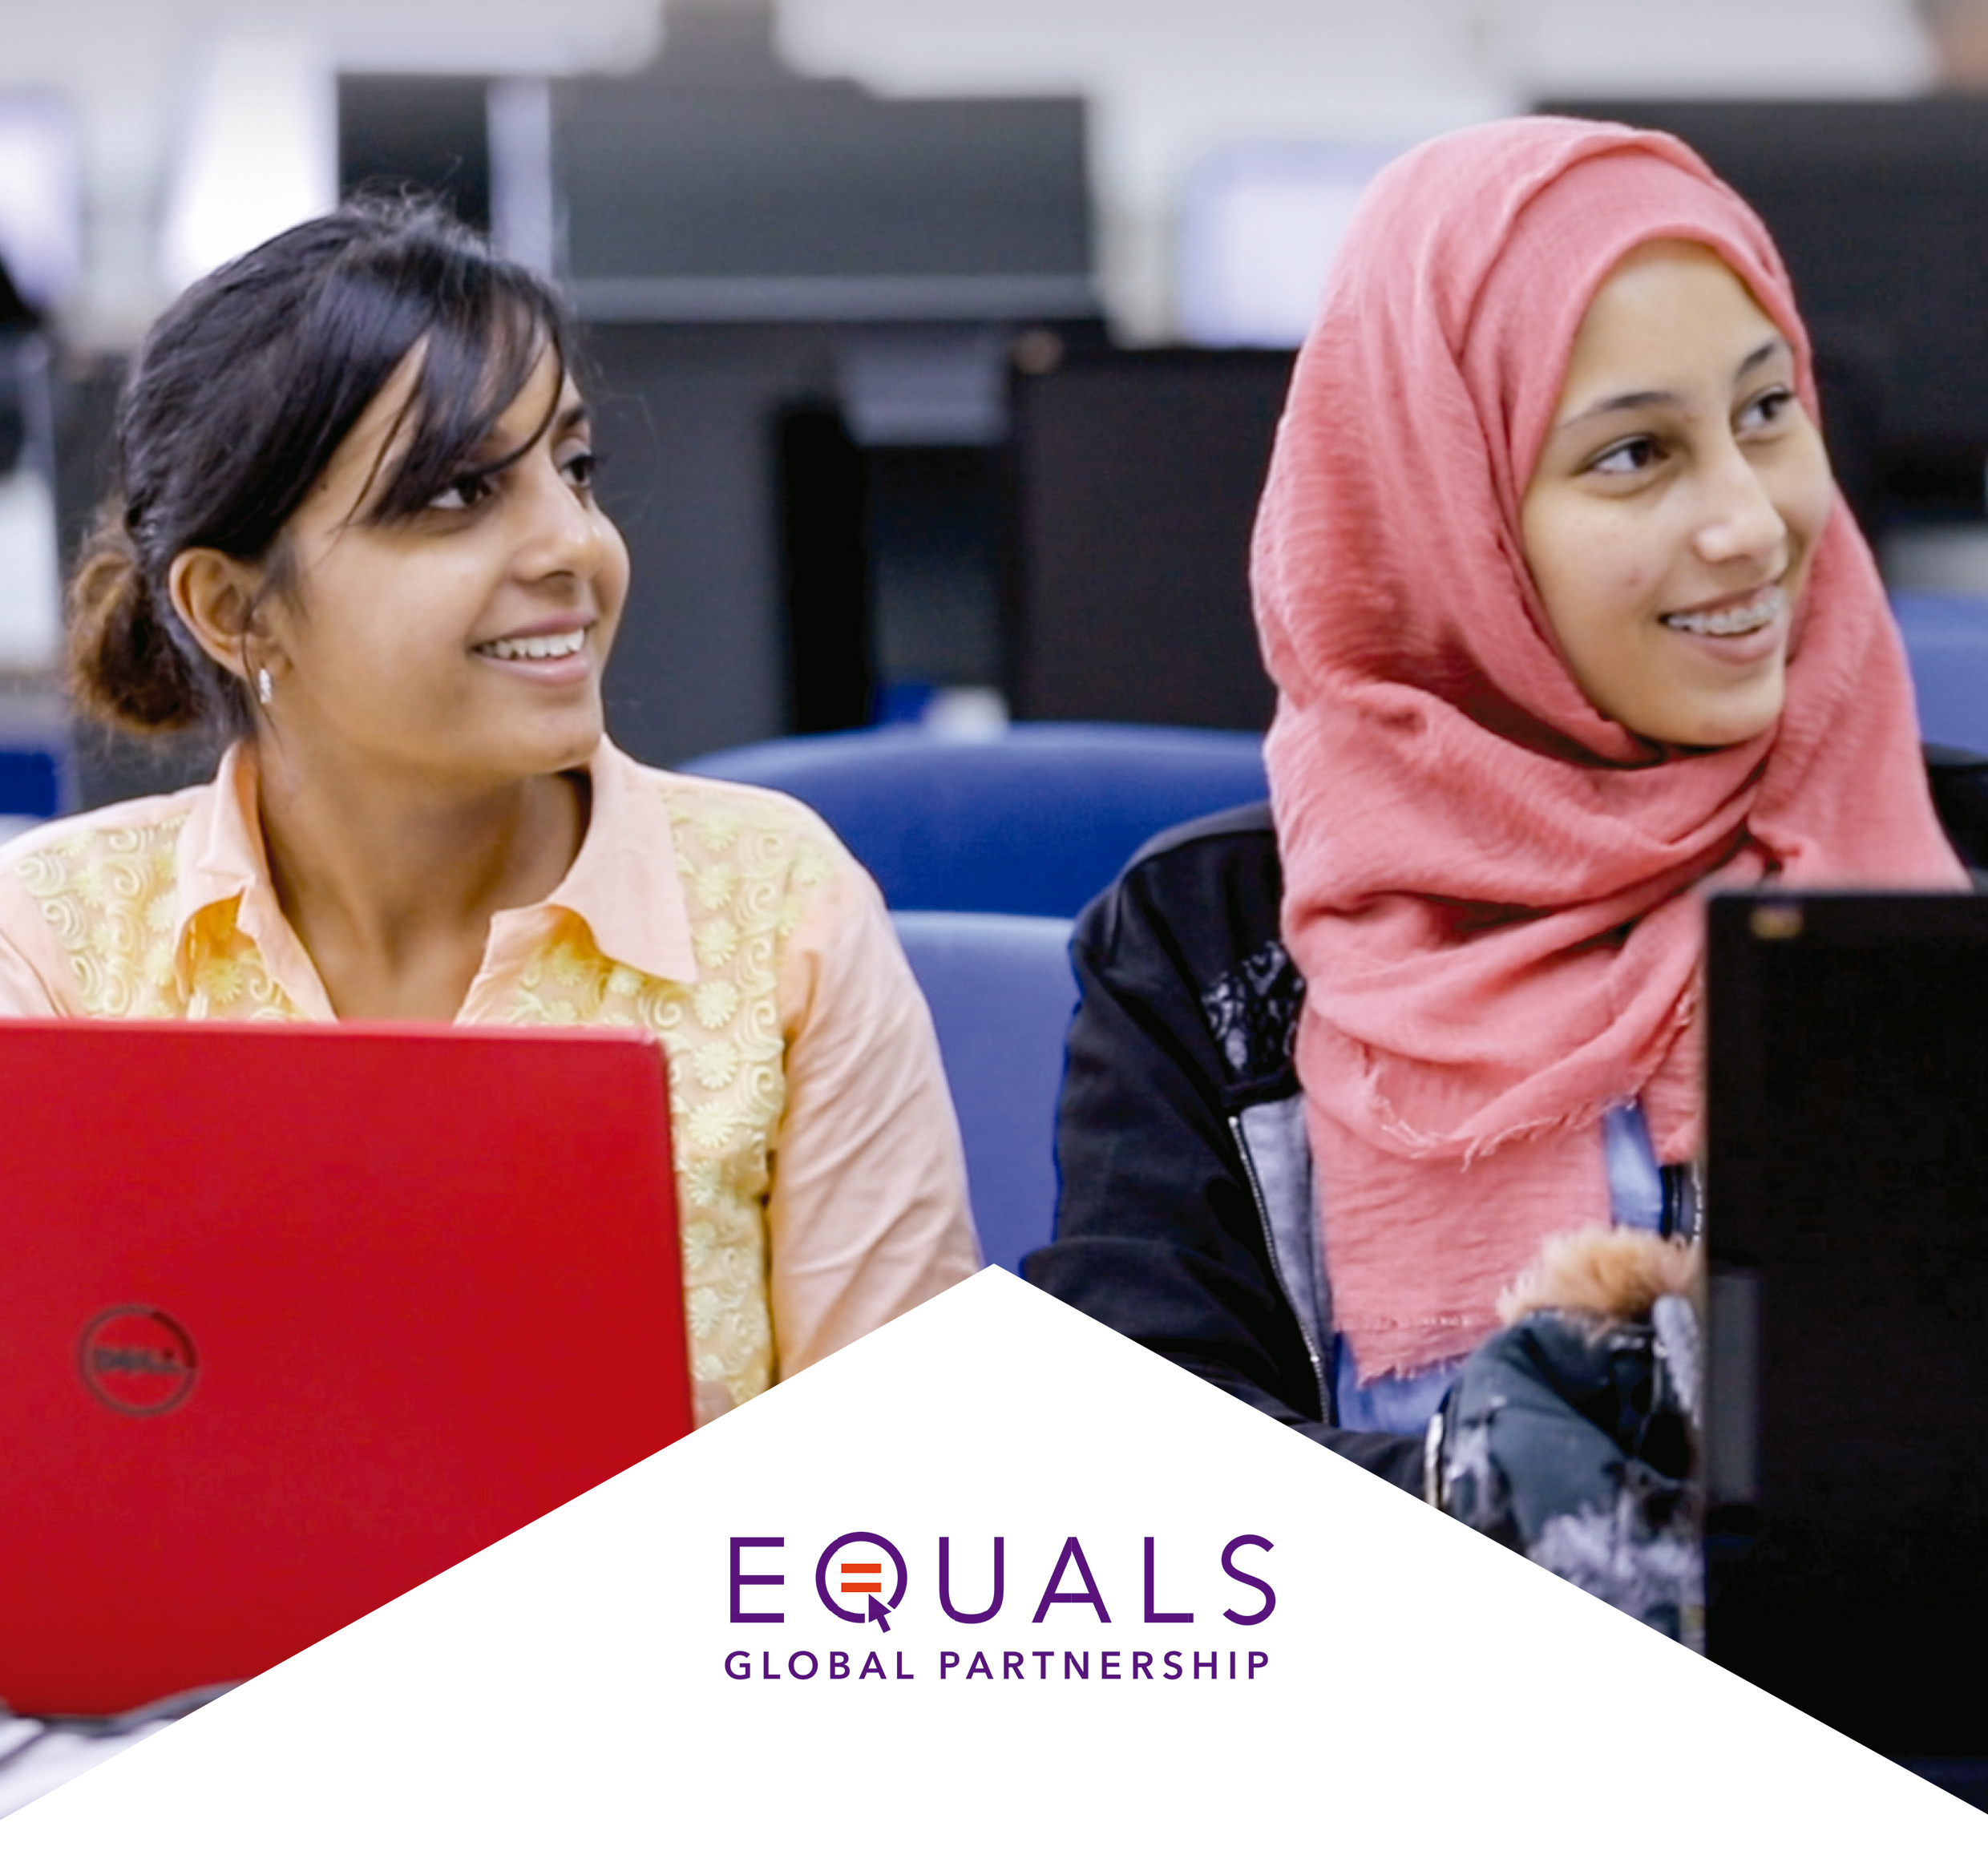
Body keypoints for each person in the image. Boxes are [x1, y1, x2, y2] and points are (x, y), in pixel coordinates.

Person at [1028, 117, 1979, 1626]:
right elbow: (1141, 1487)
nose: (1747, 522)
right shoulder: (1211, 956)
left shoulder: (1948, 886)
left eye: (1768, 412)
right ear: (1450, 514)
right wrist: (1479, 1508)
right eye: (1633, 456)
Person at [0, 200, 979, 1429]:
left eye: (572, 470)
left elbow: (897, 1489)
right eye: (460, 494)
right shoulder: (50, 947)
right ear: (231, 609)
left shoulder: (784, 910)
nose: (575, 543)